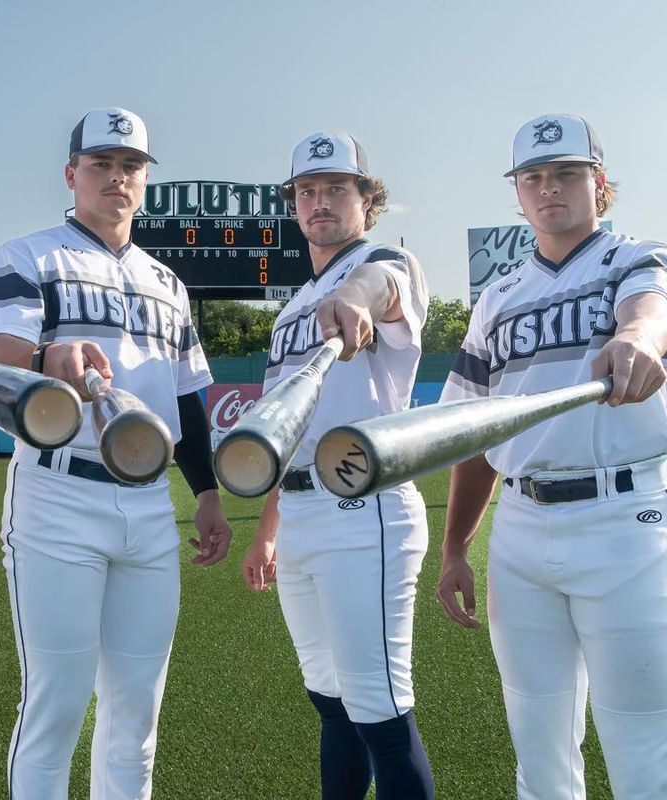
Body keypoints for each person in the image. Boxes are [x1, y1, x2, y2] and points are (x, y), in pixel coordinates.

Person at [0, 106, 233, 800]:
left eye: (130, 166)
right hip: (60, 491)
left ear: (144, 179)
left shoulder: (167, 281)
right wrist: (47, 353)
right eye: (102, 164)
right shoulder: (27, 256)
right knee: (56, 706)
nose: (117, 177)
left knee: (137, 713)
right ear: (71, 173)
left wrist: (205, 492)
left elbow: (185, 400)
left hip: (149, 503)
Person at [436, 114, 667, 799]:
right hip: (520, 530)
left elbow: (652, 310)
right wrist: (456, 546)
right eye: (534, 177)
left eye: (568, 173)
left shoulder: (636, 257)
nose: (550, 188)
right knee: (539, 747)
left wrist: (638, 335)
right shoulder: (497, 299)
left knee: (642, 748)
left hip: (622, 520)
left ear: (598, 183)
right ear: (518, 194)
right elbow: (471, 430)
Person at [241, 131, 435, 799]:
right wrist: (268, 527)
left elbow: (379, 283)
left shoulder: (390, 262)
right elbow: (286, 429)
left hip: (364, 507)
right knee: (330, 702)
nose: (319, 201)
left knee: (380, 709)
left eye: (336, 188)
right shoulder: (291, 308)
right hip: (299, 511)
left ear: (366, 197)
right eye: (306, 191)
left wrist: (355, 297)